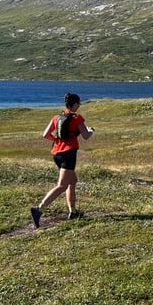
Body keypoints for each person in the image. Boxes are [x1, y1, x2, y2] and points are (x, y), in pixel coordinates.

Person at [30, 92, 94, 227]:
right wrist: (91, 130)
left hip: (57, 154)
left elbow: (45, 134)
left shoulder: (56, 117)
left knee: (73, 181)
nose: (80, 105)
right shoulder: (77, 118)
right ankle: (39, 209)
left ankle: (73, 212)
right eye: (79, 103)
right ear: (75, 104)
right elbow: (86, 136)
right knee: (62, 185)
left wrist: (57, 141)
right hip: (68, 154)